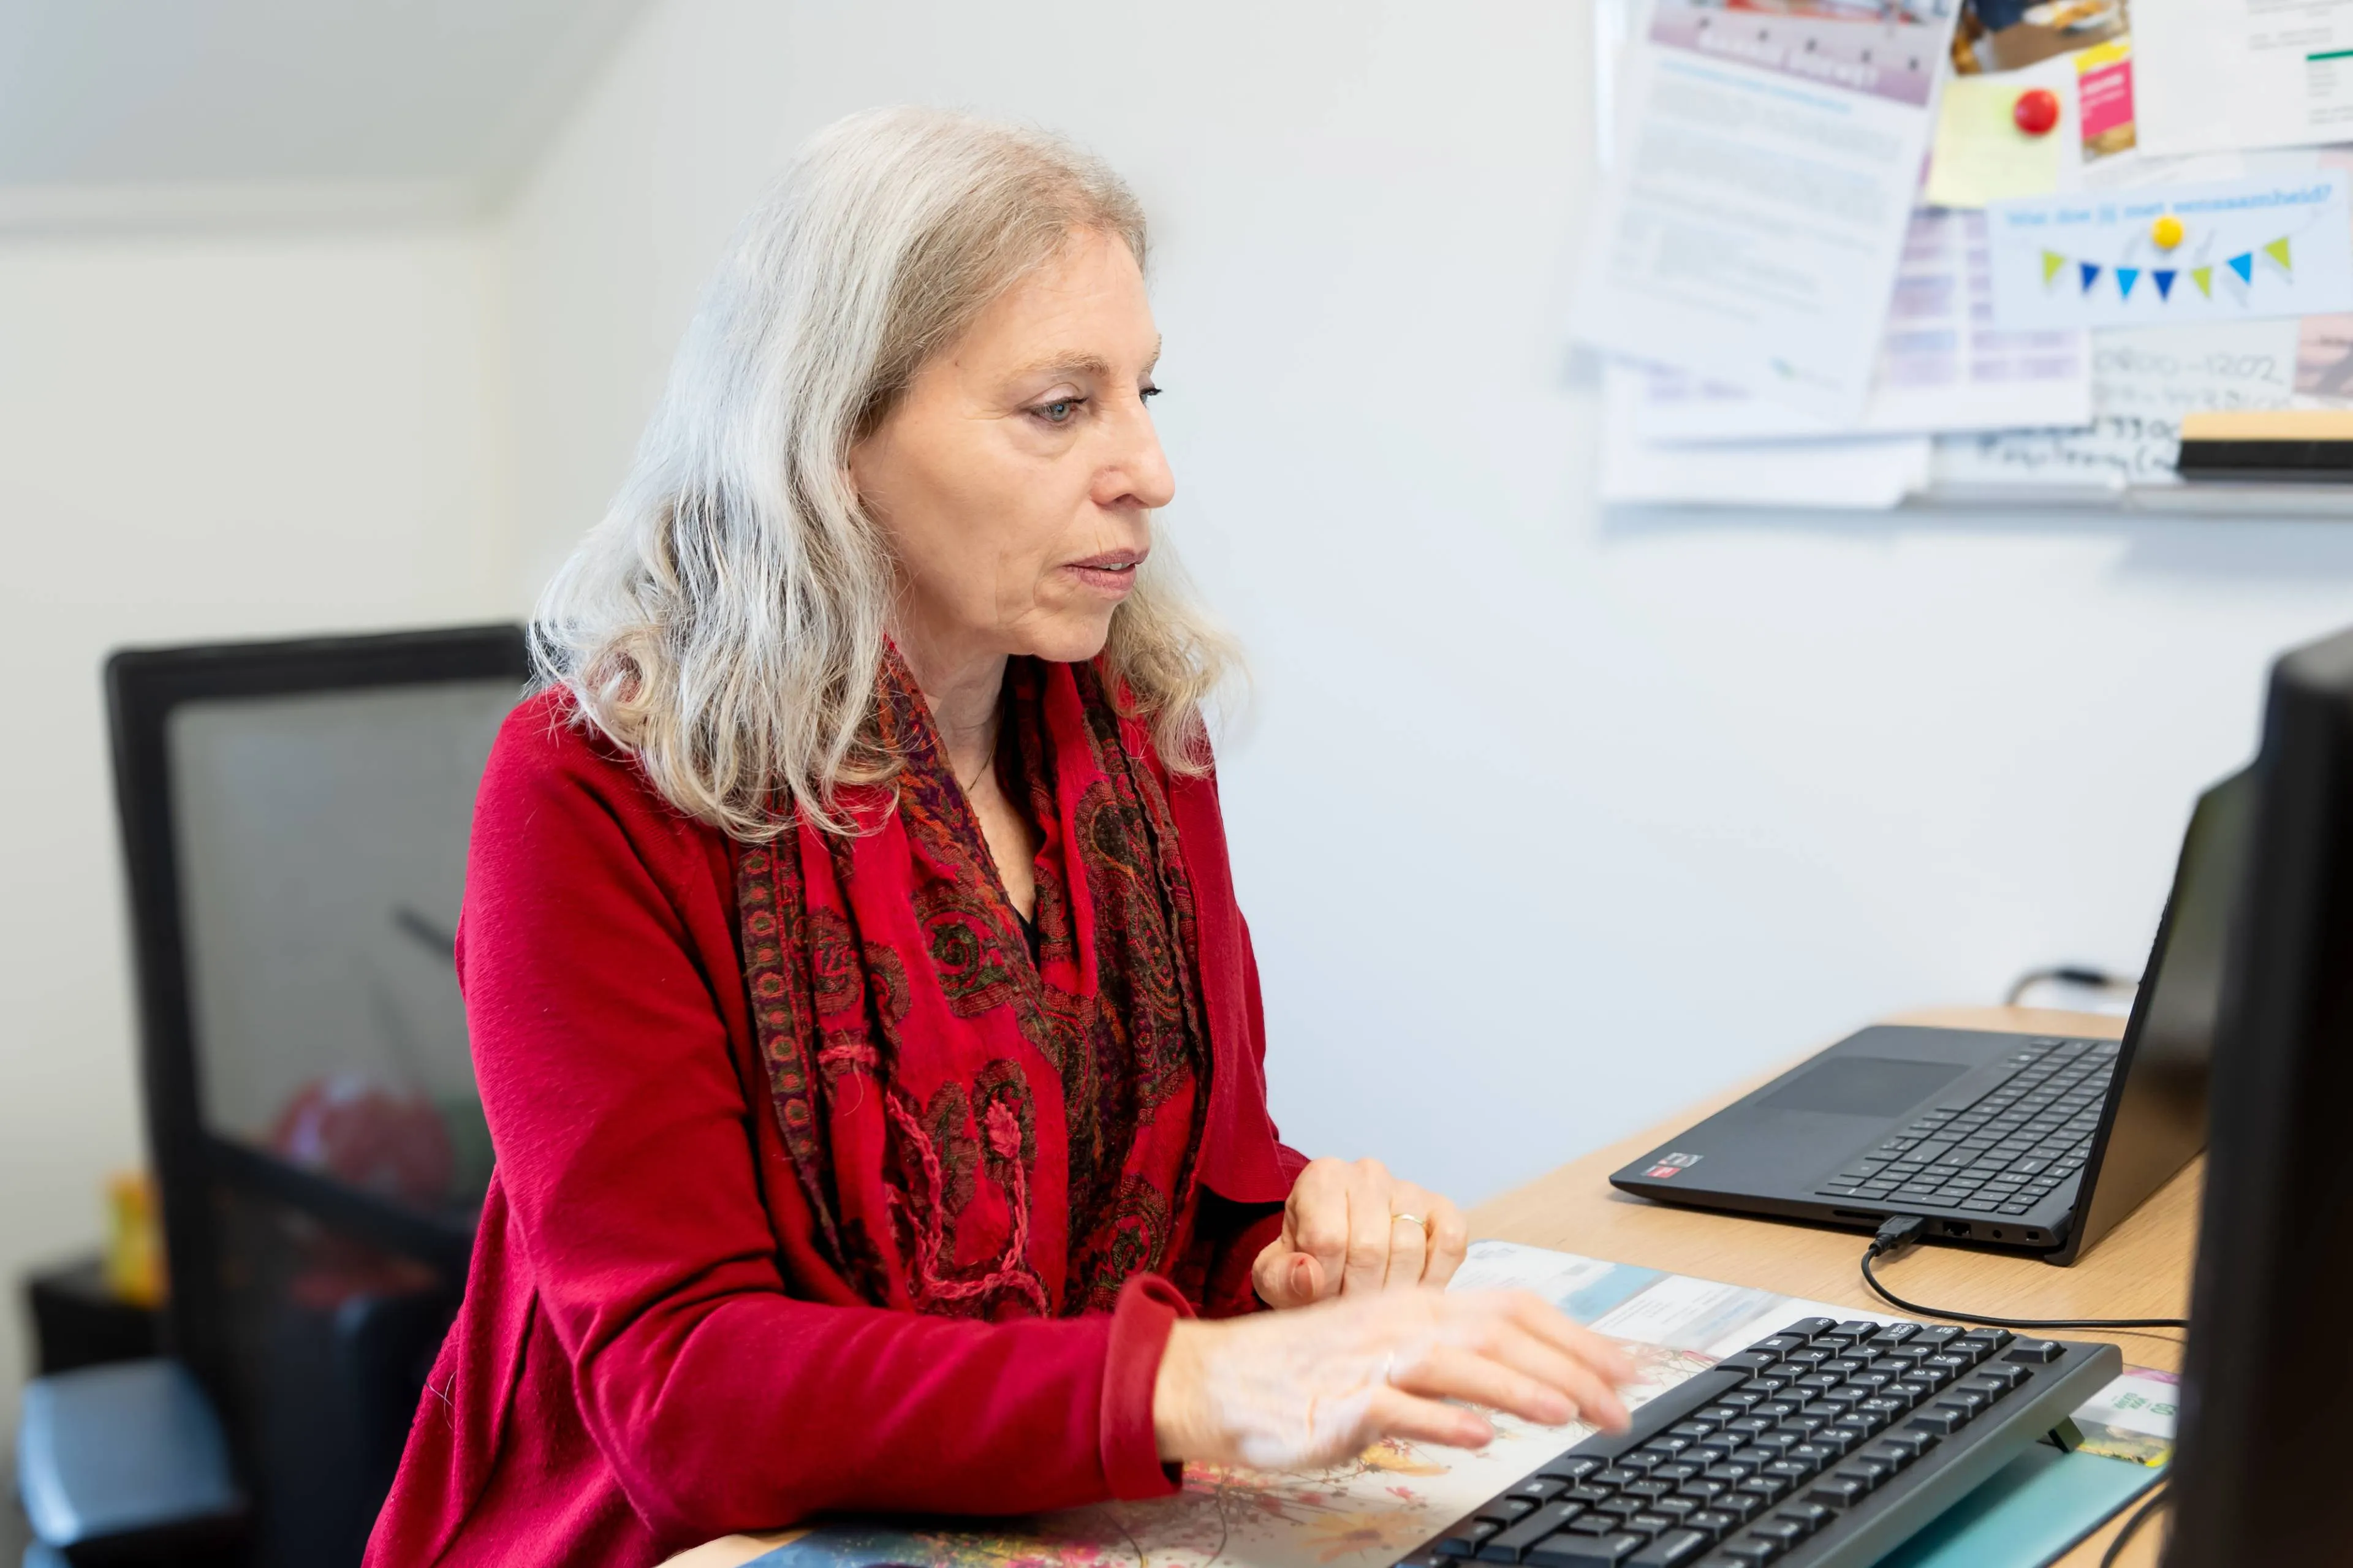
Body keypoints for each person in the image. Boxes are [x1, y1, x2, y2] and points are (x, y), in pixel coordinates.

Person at [365, 107, 1632, 1568]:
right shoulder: (593, 790)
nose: (1148, 469)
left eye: (1144, 392)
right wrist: (1190, 1381)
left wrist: (1293, 1256)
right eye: (1058, 407)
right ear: (832, 441)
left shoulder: (1144, 732)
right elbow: (684, 1395)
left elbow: (1200, 1198)